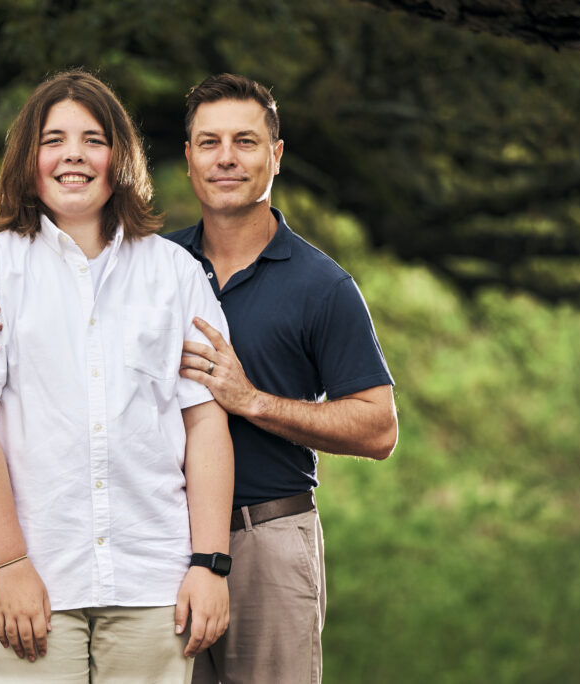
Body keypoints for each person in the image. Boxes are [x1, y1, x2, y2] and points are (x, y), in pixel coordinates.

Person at [0, 70, 234, 683]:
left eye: (92, 138)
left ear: (118, 157)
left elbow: (206, 424)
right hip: (31, 577)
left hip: (153, 576)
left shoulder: (175, 274)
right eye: (54, 140)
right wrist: (10, 563)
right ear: (28, 158)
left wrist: (210, 564)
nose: (73, 154)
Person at [167, 73, 399, 684]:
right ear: (188, 157)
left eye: (244, 141)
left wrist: (253, 402)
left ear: (275, 155)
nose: (225, 158)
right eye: (208, 142)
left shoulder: (323, 286)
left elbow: (378, 428)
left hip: (267, 540)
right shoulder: (153, 268)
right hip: (160, 542)